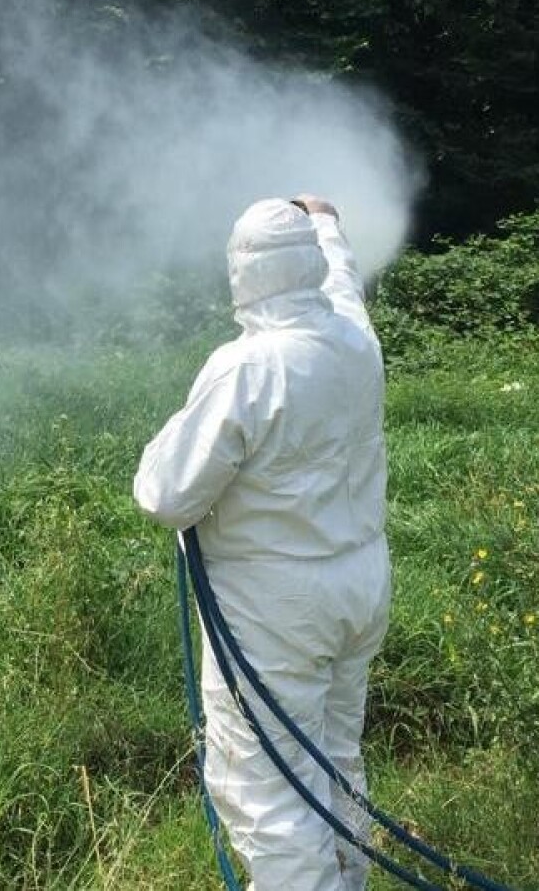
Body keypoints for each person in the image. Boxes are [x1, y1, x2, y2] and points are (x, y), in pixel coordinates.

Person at [134, 195, 390, 891]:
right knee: (336, 759)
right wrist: (328, 222)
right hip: (358, 589)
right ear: (306, 263)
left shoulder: (245, 367)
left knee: (268, 795)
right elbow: (341, 282)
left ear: (241, 274)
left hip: (278, 608)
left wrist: (165, 436)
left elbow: (166, 495)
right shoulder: (354, 340)